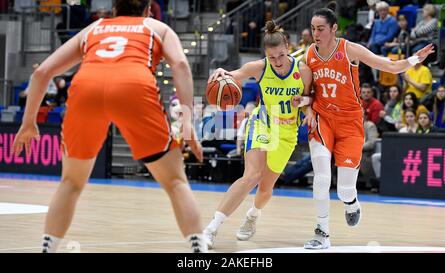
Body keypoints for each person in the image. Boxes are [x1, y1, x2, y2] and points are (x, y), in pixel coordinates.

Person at [12, 0, 207, 253]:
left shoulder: (95, 27)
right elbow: (180, 65)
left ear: (114, 9)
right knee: (175, 182)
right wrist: (188, 123)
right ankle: (198, 253)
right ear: (148, 9)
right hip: (134, 86)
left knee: (70, 182)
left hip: (86, 88)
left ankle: (48, 249)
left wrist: (28, 123)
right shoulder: (157, 28)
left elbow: (42, 73)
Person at [303, 4, 434, 249]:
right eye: (312, 29)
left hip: (350, 123)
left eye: (321, 28)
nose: (316, 33)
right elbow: (305, 92)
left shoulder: (350, 50)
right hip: (323, 120)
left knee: (343, 189)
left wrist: (416, 58)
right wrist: (306, 106)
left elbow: (390, 66)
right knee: (321, 178)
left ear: (334, 29)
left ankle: (351, 202)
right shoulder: (309, 55)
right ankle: (322, 233)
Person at [202, 20, 315, 249]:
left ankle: (253, 214)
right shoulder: (260, 68)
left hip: (287, 131)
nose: (278, 62)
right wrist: (221, 73)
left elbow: (310, 99)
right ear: (266, 55)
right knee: (251, 176)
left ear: (288, 47)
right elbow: (232, 76)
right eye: (272, 57)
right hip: (263, 122)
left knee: (265, 189)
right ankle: (211, 229)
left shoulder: (302, 70)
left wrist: (303, 102)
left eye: (281, 56)